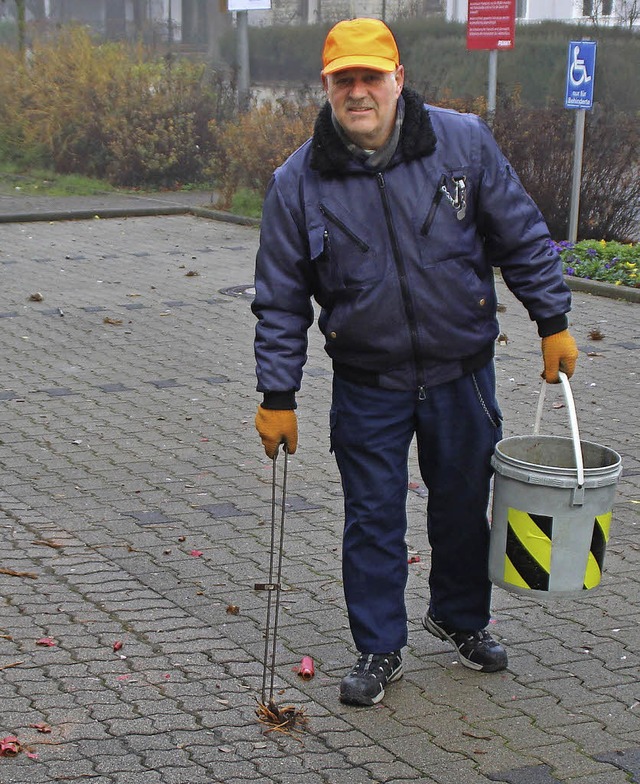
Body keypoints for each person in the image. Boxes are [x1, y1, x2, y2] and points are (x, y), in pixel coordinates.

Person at [252, 17, 578, 707]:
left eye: (372, 76)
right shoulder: (297, 183)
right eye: (346, 80)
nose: (359, 91)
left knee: (462, 505)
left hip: (462, 370)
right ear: (328, 87)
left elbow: (519, 233)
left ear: (399, 78)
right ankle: (379, 644)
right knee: (373, 515)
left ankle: (460, 620)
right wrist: (277, 394)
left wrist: (552, 320)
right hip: (368, 382)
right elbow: (281, 301)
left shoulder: (462, 145)